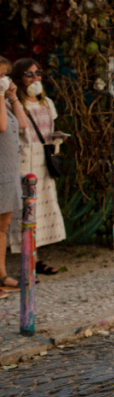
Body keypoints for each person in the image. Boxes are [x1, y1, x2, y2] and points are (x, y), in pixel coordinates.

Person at [7, 59, 65, 274]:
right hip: (23, 162)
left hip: (43, 163)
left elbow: (49, 129)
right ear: (19, 79)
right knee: (26, 213)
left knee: (40, 213)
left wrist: (57, 139)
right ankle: (27, 263)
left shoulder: (47, 103)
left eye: (37, 73)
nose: (35, 77)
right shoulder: (13, 103)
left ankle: (35, 259)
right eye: (29, 74)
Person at [0, 58, 25, 296]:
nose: (4, 80)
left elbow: (23, 124)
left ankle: (1, 274)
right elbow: (2, 126)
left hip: (7, 171)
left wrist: (13, 96)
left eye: (6, 75)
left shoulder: (5, 102)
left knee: (3, 226)